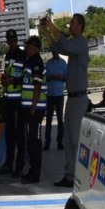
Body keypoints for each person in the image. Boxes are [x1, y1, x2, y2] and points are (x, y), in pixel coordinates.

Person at [39, 13, 89, 189]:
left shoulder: (81, 43)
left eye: (73, 23)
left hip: (79, 98)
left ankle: (77, 176)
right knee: (68, 139)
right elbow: (58, 47)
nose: (71, 25)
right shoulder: (74, 45)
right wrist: (46, 32)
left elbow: (64, 44)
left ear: (80, 27)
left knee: (75, 139)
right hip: (72, 97)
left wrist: (52, 27)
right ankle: (69, 176)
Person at [0, 29, 26, 176]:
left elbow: (27, 78)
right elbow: (7, 73)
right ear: (7, 41)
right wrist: (4, 80)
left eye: (14, 40)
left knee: (19, 134)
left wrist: (12, 81)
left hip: (18, 100)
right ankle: (8, 164)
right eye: (10, 40)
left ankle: (19, 165)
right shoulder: (7, 55)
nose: (12, 42)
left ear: (17, 39)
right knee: (9, 134)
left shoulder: (22, 55)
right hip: (8, 99)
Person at [17, 36, 46, 184]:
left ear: (34, 48)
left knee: (34, 142)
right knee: (31, 140)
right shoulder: (30, 61)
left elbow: (37, 85)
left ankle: (35, 174)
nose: (26, 48)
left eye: (28, 46)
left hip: (35, 110)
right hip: (29, 108)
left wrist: (33, 106)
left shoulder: (36, 63)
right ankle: (32, 171)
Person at [43, 49, 66, 150]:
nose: (54, 54)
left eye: (56, 52)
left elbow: (66, 78)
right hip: (50, 95)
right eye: (53, 52)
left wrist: (60, 77)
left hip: (60, 94)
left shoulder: (63, 63)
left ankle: (60, 142)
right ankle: (47, 142)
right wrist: (51, 77)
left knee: (60, 120)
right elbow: (45, 79)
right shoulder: (48, 63)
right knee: (48, 119)